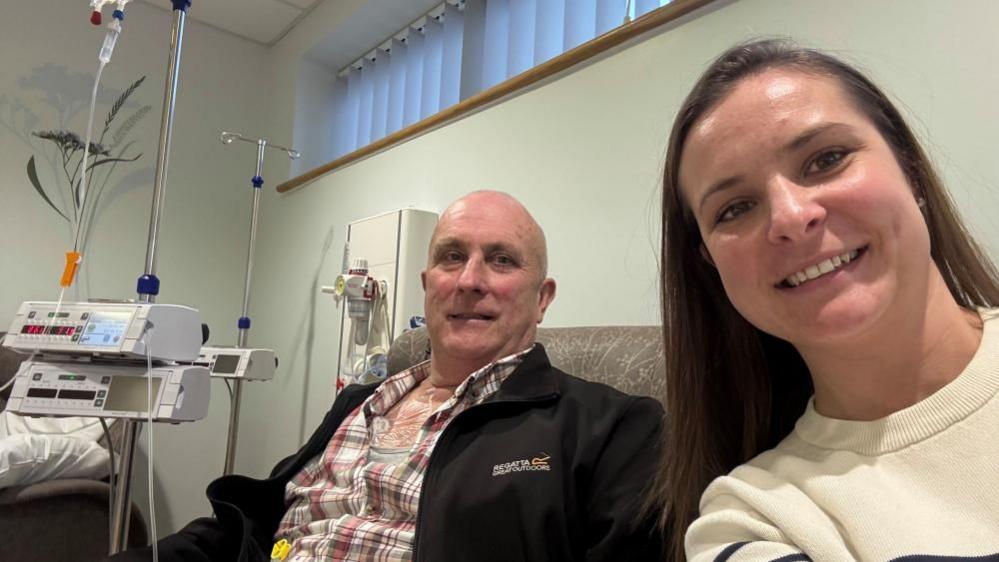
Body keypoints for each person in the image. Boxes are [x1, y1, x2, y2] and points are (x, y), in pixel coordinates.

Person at [111, 190, 664, 562]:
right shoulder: (360, 402)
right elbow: (249, 524)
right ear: (428, 284)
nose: (470, 280)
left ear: (542, 299)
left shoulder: (610, 427)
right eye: (452, 257)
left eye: (501, 260)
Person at [646, 39, 999, 561]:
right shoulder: (750, 521)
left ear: (912, 172)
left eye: (826, 159)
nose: (790, 217)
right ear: (710, 266)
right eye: (736, 208)